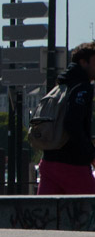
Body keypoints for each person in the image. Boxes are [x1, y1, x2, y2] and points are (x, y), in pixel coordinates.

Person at [36, 41, 95, 195]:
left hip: (48, 162)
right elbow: (73, 124)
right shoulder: (82, 87)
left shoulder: (61, 87)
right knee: (89, 210)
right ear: (83, 62)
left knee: (46, 215)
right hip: (73, 164)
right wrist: (90, 155)